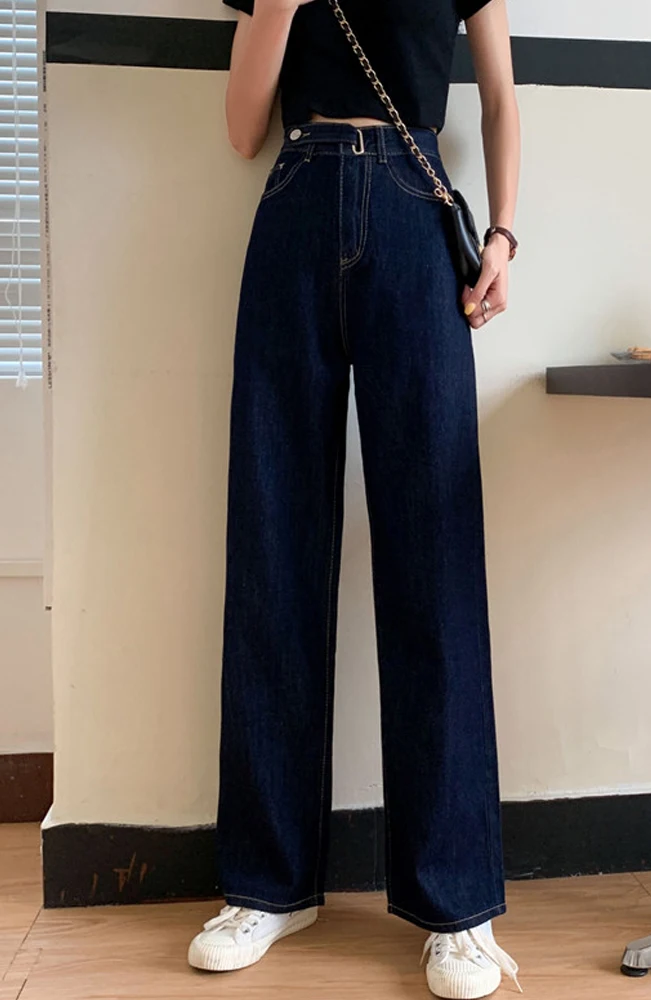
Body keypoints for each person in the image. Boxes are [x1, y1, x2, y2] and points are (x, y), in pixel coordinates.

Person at [188, 1, 521, 996]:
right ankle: (268, 883)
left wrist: (503, 234)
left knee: (435, 556)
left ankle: (457, 903)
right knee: (274, 548)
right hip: (296, 200)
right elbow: (242, 128)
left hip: (418, 216)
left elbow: (500, 95)